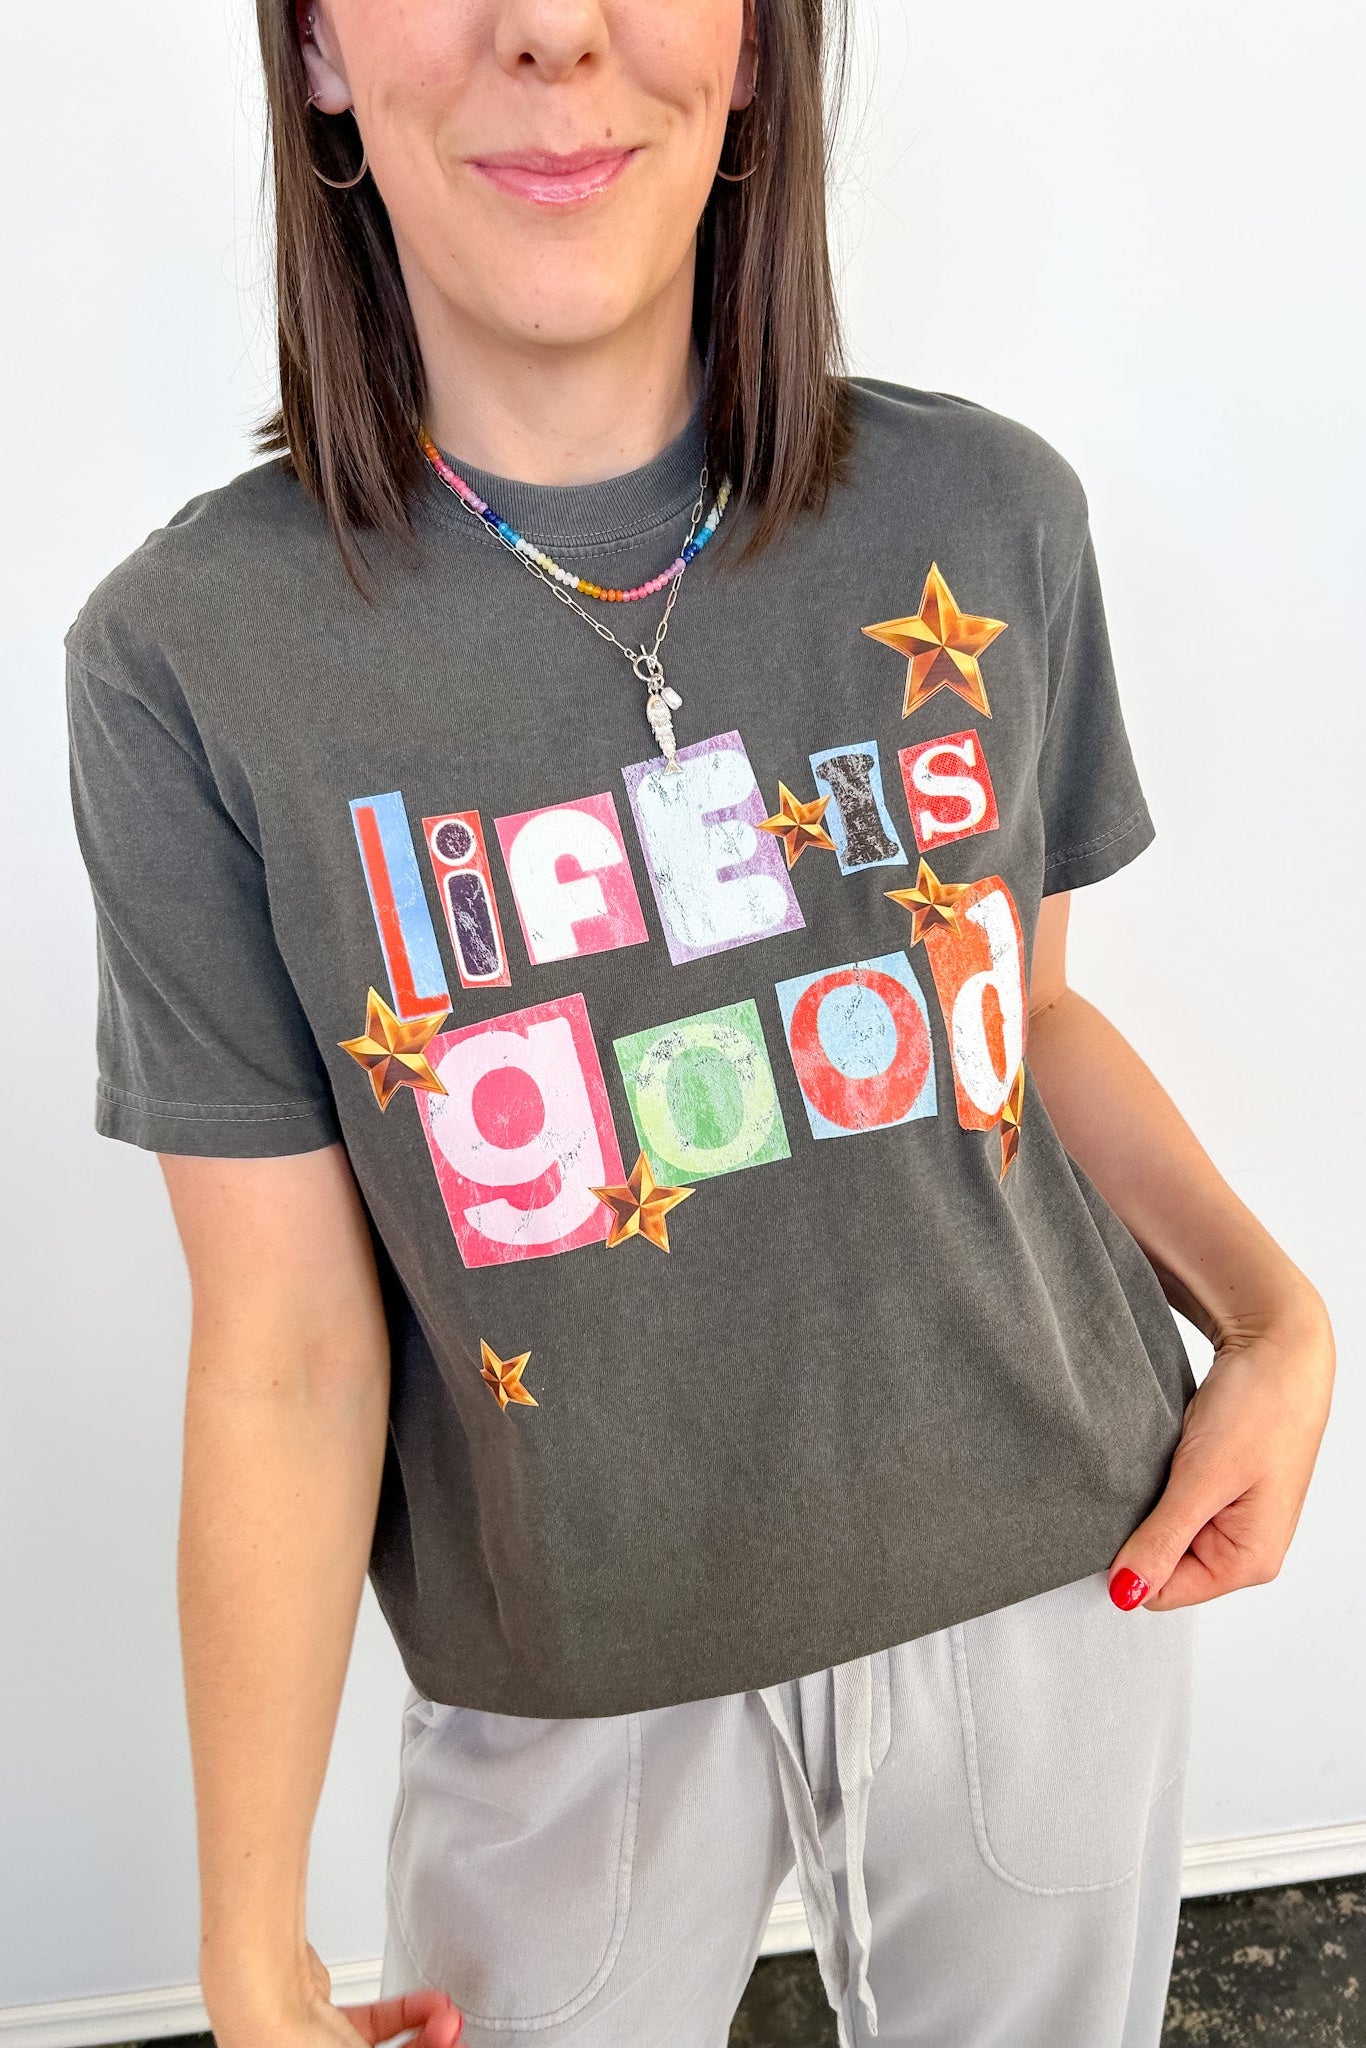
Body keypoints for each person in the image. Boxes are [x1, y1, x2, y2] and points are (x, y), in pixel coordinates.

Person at [62, 1, 1335, 2044]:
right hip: (562, 1663)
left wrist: (1274, 1318)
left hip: (1044, 1580)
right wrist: (243, 1948)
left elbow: (1009, 1023)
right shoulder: (193, 657)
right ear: (312, 48)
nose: (553, 30)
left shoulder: (983, 512)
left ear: (752, 44)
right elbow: (290, 1352)